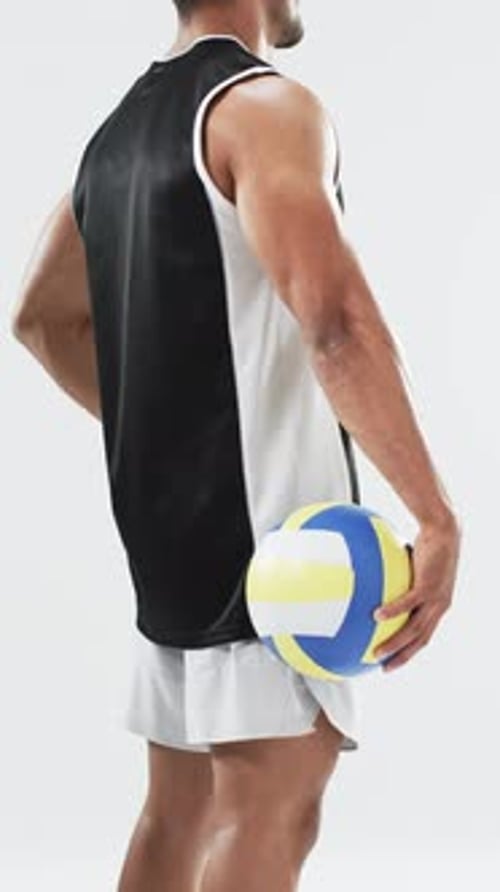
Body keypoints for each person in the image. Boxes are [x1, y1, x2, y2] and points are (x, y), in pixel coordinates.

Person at [11, 1, 462, 889]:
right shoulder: (263, 109)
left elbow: (39, 316)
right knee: (272, 806)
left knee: (177, 813)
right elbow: (335, 323)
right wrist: (435, 516)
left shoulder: (114, 138)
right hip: (277, 552)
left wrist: (171, 434)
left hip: (174, 546)